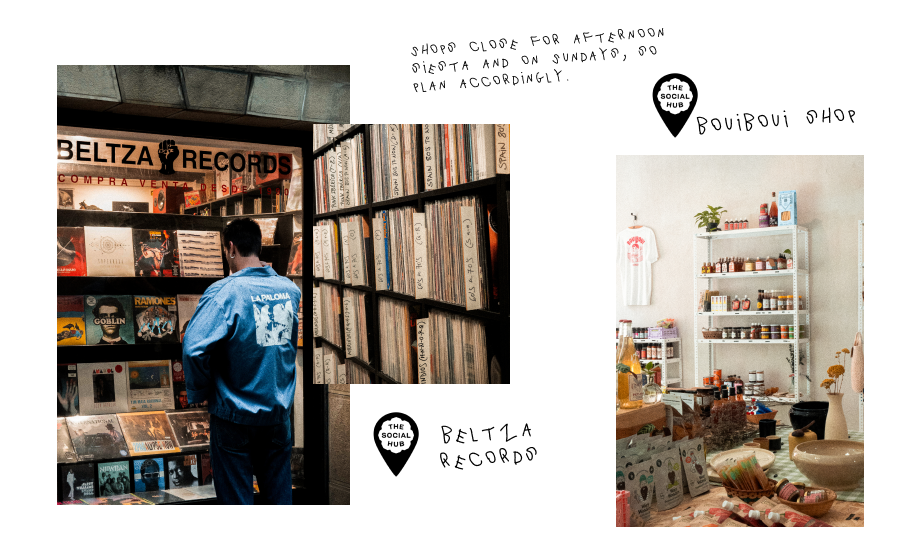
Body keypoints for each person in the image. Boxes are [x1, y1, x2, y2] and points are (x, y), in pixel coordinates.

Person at [183, 218, 301, 505]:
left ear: (231, 248)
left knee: (237, 502)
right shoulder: (290, 290)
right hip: (277, 415)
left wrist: (200, 390)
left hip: (234, 417)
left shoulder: (224, 293)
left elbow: (193, 349)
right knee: (279, 500)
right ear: (259, 247)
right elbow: (286, 344)